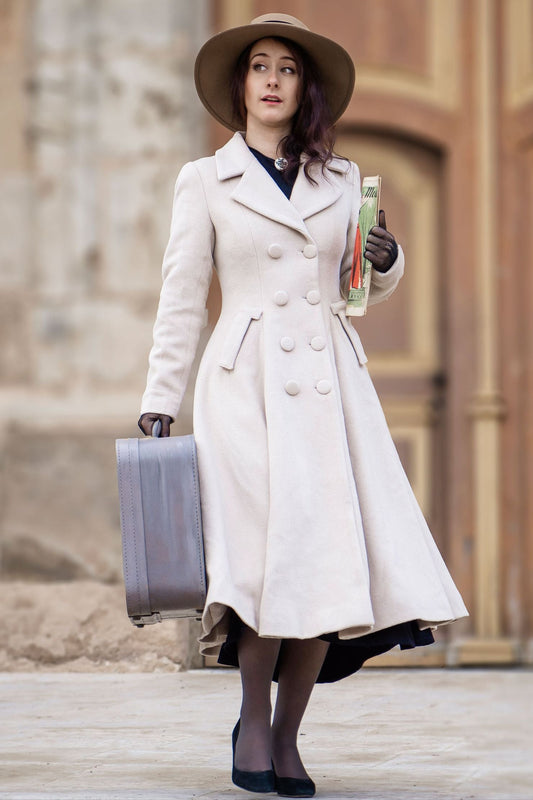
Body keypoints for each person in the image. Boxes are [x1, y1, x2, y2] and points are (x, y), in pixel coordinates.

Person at [138, 13, 467, 798]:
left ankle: (288, 738)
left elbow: (355, 289)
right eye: (260, 66)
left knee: (324, 564)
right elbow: (181, 298)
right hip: (242, 388)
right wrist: (159, 399)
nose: (273, 79)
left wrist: (384, 261)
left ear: (303, 88)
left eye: (288, 68)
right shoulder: (203, 180)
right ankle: (254, 722)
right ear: (240, 85)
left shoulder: (343, 180)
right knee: (260, 563)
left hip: (329, 387)